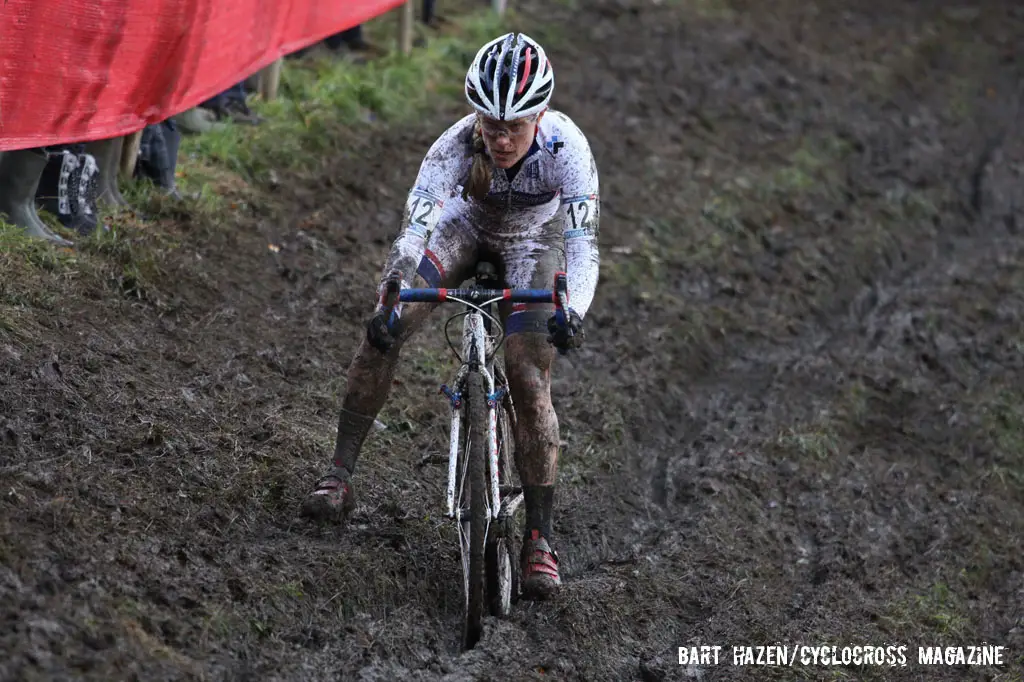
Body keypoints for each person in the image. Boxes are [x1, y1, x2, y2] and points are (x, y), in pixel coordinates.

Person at [300, 32, 600, 600]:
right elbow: (415, 231)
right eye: (491, 125)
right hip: (464, 230)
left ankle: (540, 539)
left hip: (535, 243)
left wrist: (573, 310)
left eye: (515, 126)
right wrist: (391, 292)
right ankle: (338, 475)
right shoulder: (453, 147)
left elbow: (584, 245)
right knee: (383, 335)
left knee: (528, 374)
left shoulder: (570, 150)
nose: (502, 137)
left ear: (540, 114)